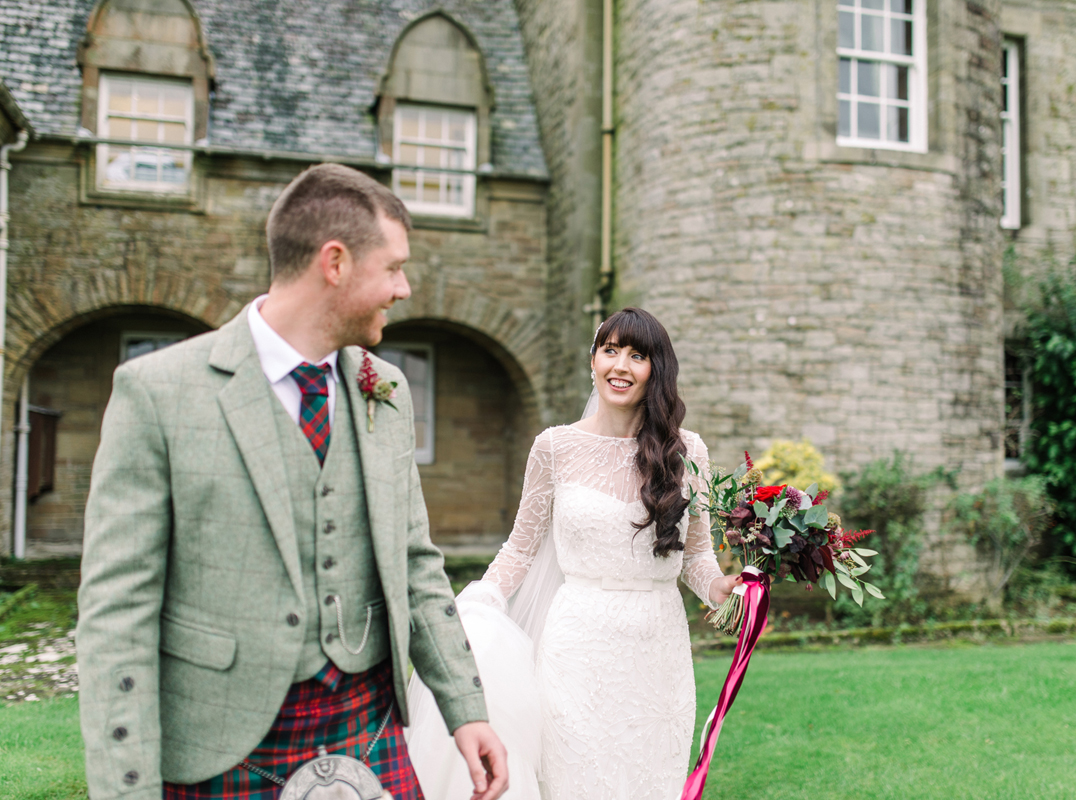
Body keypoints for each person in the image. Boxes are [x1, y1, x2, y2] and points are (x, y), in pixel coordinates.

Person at [75, 163, 508, 800]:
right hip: (224, 744)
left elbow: (416, 564)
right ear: (334, 264)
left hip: (367, 725)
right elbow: (117, 615)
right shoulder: (159, 392)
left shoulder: (385, 390)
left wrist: (466, 707)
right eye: (392, 268)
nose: (405, 288)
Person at [406, 307, 740, 800]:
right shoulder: (554, 447)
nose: (620, 366)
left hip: (658, 647)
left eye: (637, 355)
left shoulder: (687, 451)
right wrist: (481, 602)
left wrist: (724, 588)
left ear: (657, 370)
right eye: (610, 351)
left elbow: (695, 556)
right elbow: (520, 548)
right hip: (578, 644)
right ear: (593, 361)